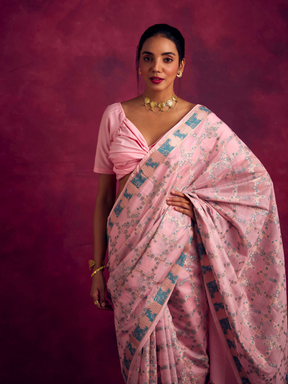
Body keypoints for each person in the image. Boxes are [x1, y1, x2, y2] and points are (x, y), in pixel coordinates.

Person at [90, 24, 287, 384]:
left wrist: (198, 206)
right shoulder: (114, 116)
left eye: (167, 59)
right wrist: (97, 269)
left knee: (189, 354)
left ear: (180, 66)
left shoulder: (202, 123)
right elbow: (104, 198)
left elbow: (256, 185)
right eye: (148, 58)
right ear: (137, 64)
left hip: (181, 260)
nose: (157, 68)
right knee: (137, 359)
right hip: (127, 259)